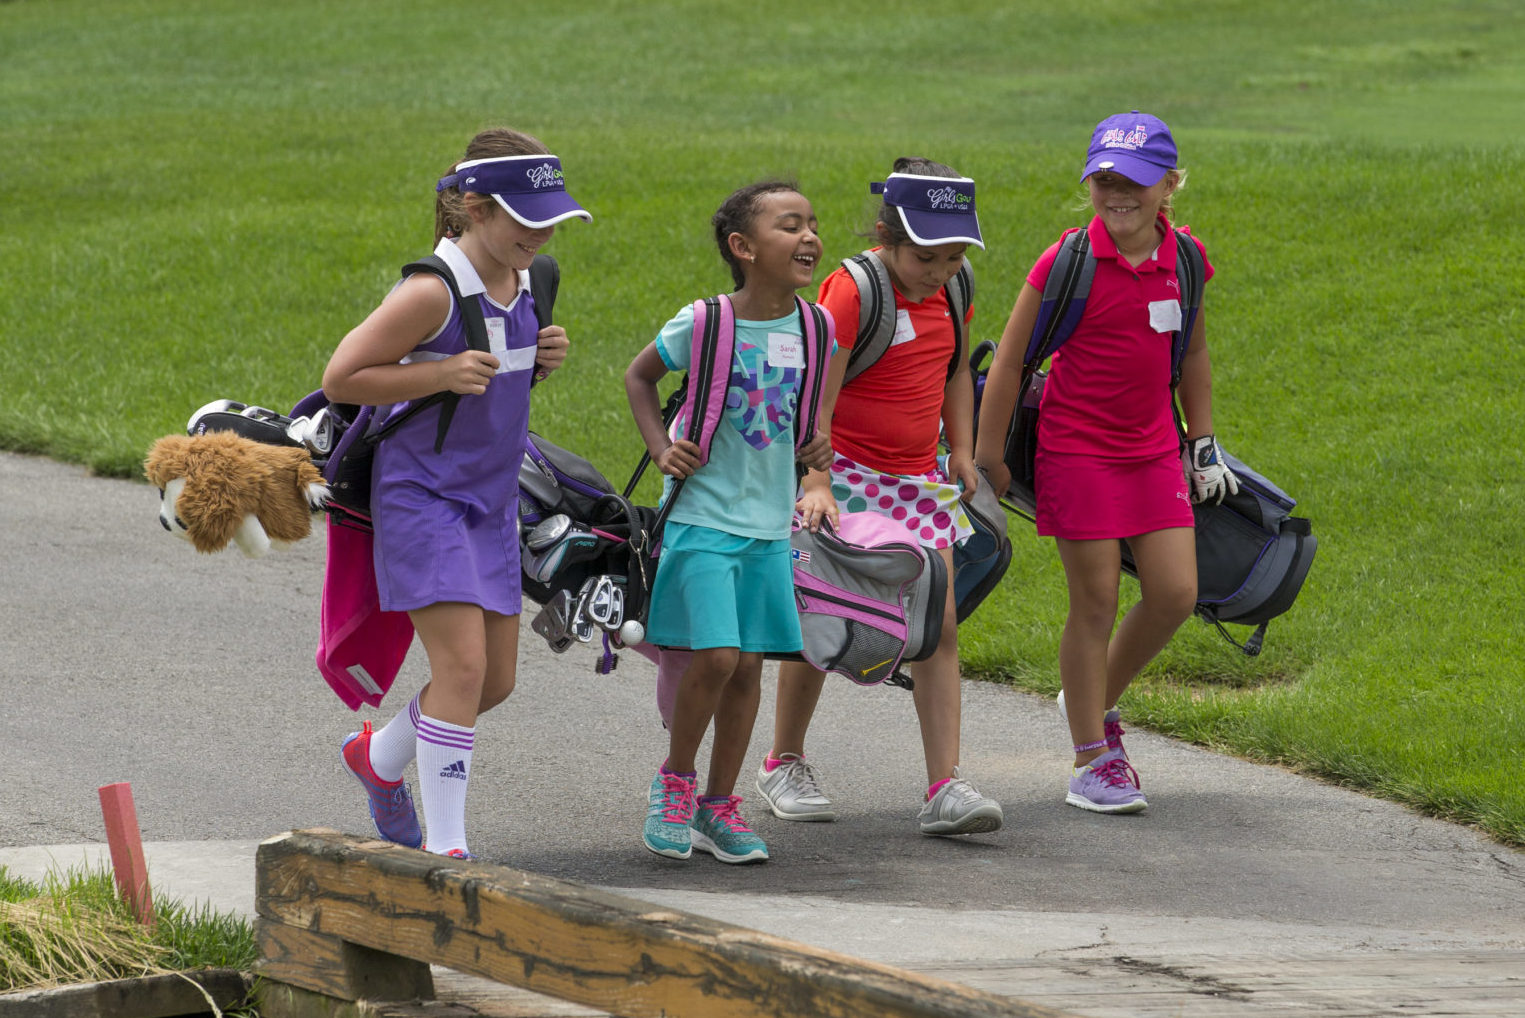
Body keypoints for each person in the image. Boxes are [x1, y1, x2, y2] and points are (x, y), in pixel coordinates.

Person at [323, 128, 591, 857]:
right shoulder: (428, 293)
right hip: (423, 497)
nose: (540, 234)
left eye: (551, 220)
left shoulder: (528, 281)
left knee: (492, 681)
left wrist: (535, 362)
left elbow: (490, 380)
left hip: (491, 502)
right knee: (462, 670)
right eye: (526, 220)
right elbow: (343, 377)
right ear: (474, 208)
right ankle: (448, 850)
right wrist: (436, 374)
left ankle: (375, 760)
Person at [974, 111, 1235, 814]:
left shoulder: (1184, 259)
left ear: (1169, 185)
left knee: (1176, 593)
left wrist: (1202, 441)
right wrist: (987, 458)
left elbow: (1196, 355)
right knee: (1093, 602)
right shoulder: (1065, 262)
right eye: (1104, 181)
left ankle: (1088, 702)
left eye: (1136, 182)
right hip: (1076, 449)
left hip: (1153, 450)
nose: (1118, 194)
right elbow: (1006, 363)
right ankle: (1092, 757)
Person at [756, 158, 1004, 837]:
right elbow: (817, 391)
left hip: (918, 482)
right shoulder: (853, 290)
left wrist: (960, 446)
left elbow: (954, 370)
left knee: (937, 628)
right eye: (928, 256)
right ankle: (783, 762)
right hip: (846, 477)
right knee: (826, 623)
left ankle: (945, 786)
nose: (941, 270)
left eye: (954, 256)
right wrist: (815, 481)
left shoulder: (954, 287)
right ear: (884, 234)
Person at [625, 180, 834, 864]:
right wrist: (662, 447)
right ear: (742, 248)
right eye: (788, 225)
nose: (808, 237)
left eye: (810, 225)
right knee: (714, 655)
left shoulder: (815, 327)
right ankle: (675, 782)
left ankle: (718, 806)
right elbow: (639, 377)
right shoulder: (705, 322)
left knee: (747, 667)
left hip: (768, 526)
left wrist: (814, 455)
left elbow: (814, 420)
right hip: (702, 516)